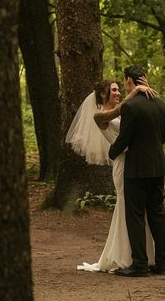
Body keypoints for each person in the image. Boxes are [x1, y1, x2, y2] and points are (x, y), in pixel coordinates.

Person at [65, 79, 156, 272]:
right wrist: (136, 90)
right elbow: (120, 111)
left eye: (118, 89)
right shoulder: (100, 116)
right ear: (103, 95)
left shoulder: (125, 112)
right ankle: (123, 257)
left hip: (135, 164)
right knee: (126, 208)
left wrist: (143, 90)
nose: (117, 92)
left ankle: (142, 255)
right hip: (123, 166)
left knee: (136, 210)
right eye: (113, 90)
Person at [109, 65, 165, 277]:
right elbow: (163, 137)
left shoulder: (130, 107)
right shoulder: (161, 105)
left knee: (135, 215)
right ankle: (162, 263)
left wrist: (112, 152)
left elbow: (124, 138)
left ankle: (140, 264)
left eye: (124, 81)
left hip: (136, 168)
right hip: (157, 166)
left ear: (129, 81)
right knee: (157, 213)